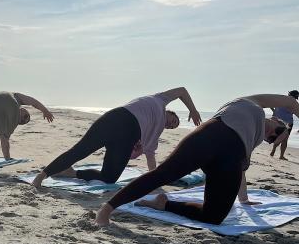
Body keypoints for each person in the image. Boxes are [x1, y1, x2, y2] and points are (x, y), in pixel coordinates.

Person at [95, 94, 296, 226]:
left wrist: (243, 199)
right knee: (163, 174)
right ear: (276, 119)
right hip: (210, 136)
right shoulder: (250, 103)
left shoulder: (251, 140)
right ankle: (106, 209)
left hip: (230, 157)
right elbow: (290, 103)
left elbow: (241, 171)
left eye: (272, 139)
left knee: (214, 217)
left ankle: (163, 203)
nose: (271, 134)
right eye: (277, 130)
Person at [31, 87, 202, 188]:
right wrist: (192, 110)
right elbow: (182, 91)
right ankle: (41, 176)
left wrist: (153, 182)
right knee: (80, 150)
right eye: (173, 120)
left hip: (128, 136)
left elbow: (151, 159)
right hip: (117, 118)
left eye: (172, 127)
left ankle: (72, 172)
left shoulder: (154, 134)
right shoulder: (160, 99)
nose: (171, 125)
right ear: (169, 112)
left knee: (110, 178)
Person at [270, 90, 298, 160]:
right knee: (285, 139)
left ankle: (273, 150)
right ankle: (281, 156)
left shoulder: (281, 100)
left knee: (278, 136)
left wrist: (274, 111)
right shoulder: (294, 103)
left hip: (278, 120)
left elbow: (270, 104)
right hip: (288, 123)